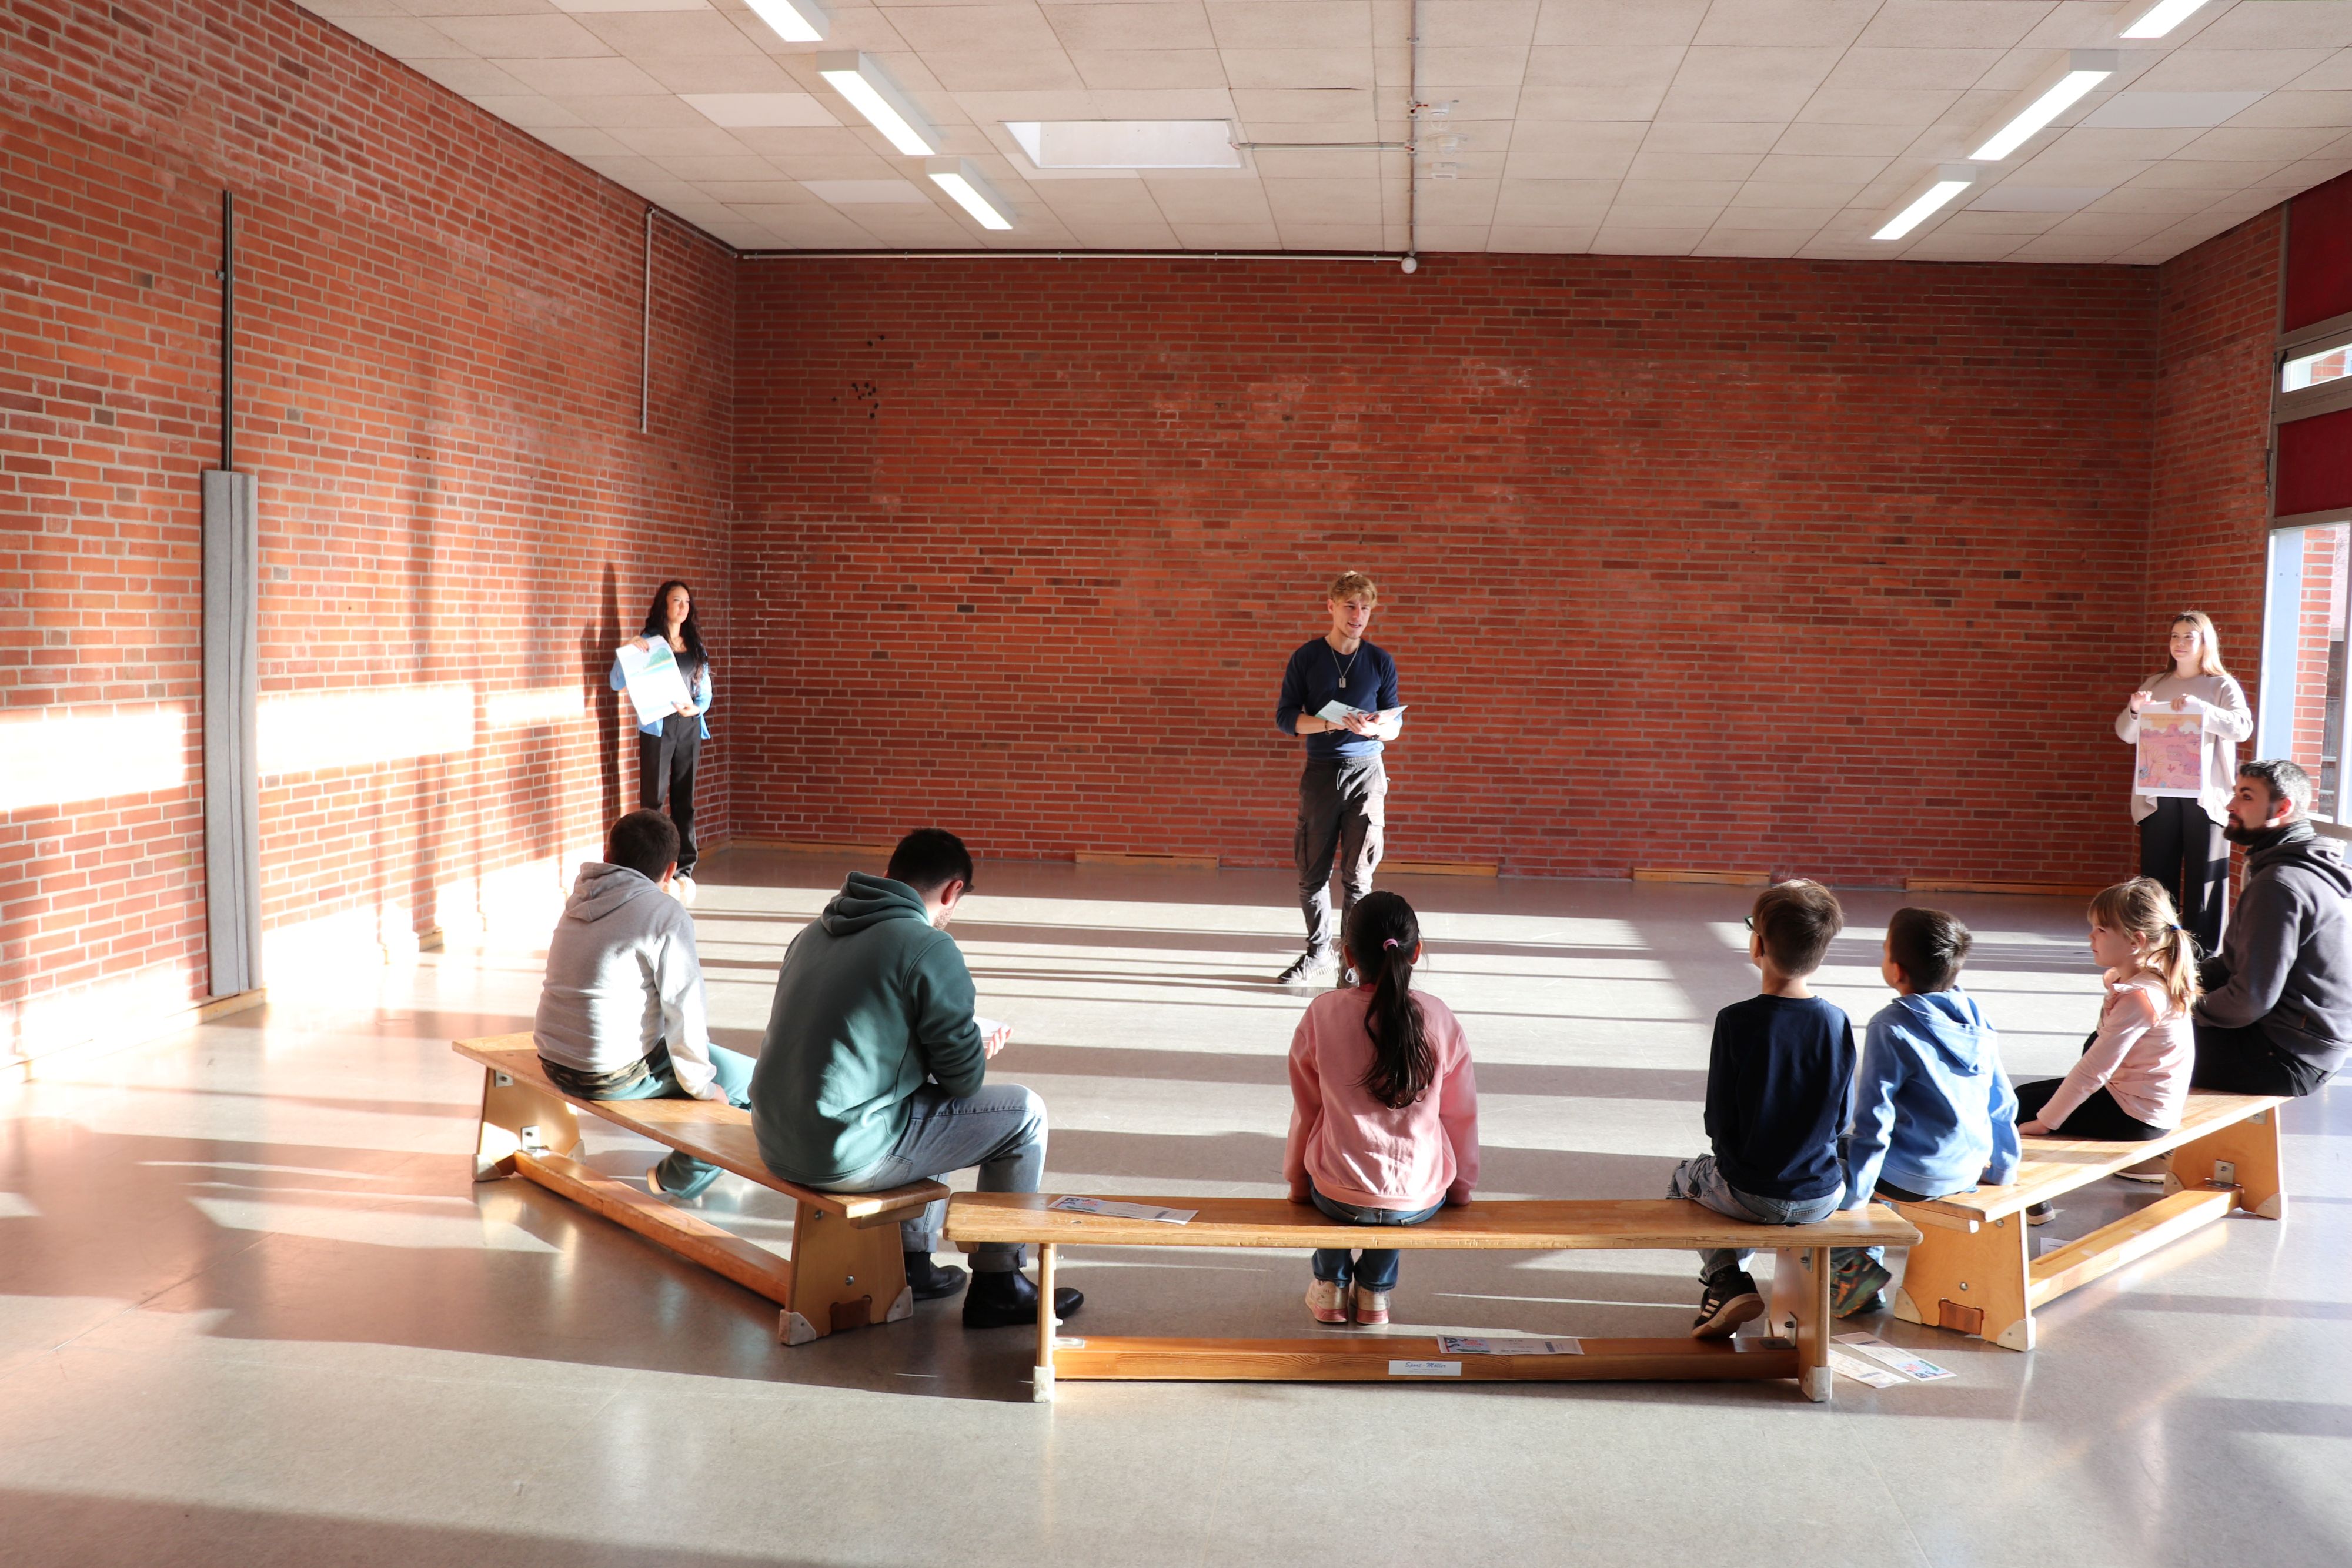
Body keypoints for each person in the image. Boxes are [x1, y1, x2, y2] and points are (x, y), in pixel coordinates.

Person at [748, 828, 1081, 1329]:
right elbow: (964, 1080)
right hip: (841, 1151)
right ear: (952, 891)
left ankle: (913, 1266)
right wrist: (973, 1045)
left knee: (925, 1101)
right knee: (1024, 1114)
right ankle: (998, 1282)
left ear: (888, 874)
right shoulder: (928, 946)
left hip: (776, 1137)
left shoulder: (814, 931)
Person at [533, 810, 754, 1202]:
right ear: (671, 871)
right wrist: (706, 1088)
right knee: (750, 1081)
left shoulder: (579, 896)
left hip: (552, 1058)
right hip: (607, 1074)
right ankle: (679, 1178)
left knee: (703, 1069)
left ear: (608, 852)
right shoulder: (665, 913)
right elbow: (685, 1012)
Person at [1667, 880, 1855, 1339]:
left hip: (1750, 1193)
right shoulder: (1837, 1020)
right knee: (1740, 1179)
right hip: (1821, 1196)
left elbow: (1719, 1122)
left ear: (1759, 944)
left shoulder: (1736, 1020)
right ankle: (1740, 1286)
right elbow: (1842, 1119)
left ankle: (1726, 1278)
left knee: (1683, 1177)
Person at [1284, 891, 1478, 1328]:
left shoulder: (1322, 1014)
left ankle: (1331, 1287)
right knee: (1403, 1167)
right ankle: (1374, 1292)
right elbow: (1460, 1115)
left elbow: (1307, 1113)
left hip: (1335, 1197)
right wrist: (1461, 1187)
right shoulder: (1439, 1017)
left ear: (1348, 954)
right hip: (1418, 1198)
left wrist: (1299, 1183)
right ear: (1417, 952)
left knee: (1334, 1159)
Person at [1832, 908, 2018, 1316]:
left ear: (1897, 970)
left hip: (1912, 1175)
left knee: (1831, 1160)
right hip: (1968, 1168)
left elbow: (1875, 1119)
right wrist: (2004, 1168)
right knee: (1862, 1158)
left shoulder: (1891, 1025)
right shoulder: (1975, 1014)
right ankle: (1863, 1269)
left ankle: (1852, 1268)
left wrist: (1858, 1196)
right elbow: (2003, 1100)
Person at [2010, 877, 2199, 1220]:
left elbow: (2093, 1069)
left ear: (2135, 941)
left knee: (2021, 1109)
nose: (2090, 937)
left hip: (2134, 1115)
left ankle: (2027, 1200)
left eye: (2100, 930)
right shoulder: (2149, 980)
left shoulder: (2140, 999)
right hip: (2137, 1104)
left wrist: (2047, 1122)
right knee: (2024, 1095)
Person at [2191, 759, 2352, 1098]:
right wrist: (2168, 976)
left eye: (2246, 797)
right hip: (2303, 1045)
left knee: (2131, 1039)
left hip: (2288, 1055)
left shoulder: (2279, 884)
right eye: (2235, 793)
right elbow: (2236, 965)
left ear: (2283, 808)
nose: (2230, 805)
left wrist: (2174, 1006)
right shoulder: (2296, 866)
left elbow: (2249, 1001)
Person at [1273, 571, 1402, 986]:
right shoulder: (1307, 657)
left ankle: (1353, 964)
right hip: (1322, 774)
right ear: (1331, 606)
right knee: (1312, 872)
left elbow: (1394, 726)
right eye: (1350, 606)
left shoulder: (1380, 661)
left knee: (1358, 876)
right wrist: (1329, 726)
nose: (1358, 615)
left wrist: (1374, 729)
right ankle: (1318, 954)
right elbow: (1286, 718)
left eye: (1365, 607)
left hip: (1367, 773)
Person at [2114, 611, 2251, 955]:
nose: (2179, 643)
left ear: (2206, 642)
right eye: (2175, 636)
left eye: (2188, 636)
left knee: (2205, 879)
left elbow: (2241, 727)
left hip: (2205, 797)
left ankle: (2202, 957)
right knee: (2157, 881)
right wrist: (2134, 710)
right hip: (2158, 796)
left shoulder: (2221, 685)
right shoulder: (2156, 683)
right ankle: (2157, 951)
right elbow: (2126, 734)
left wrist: (2203, 709)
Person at [610, 580, 714, 904]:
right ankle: (650, 869)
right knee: (653, 799)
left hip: (689, 725)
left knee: (685, 800)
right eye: (676, 601)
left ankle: (684, 869)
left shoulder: (695, 645)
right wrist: (628, 649)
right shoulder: (649, 643)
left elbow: (706, 690)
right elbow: (616, 682)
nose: (682, 607)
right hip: (658, 728)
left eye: (686, 602)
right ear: (663, 605)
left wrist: (698, 707)